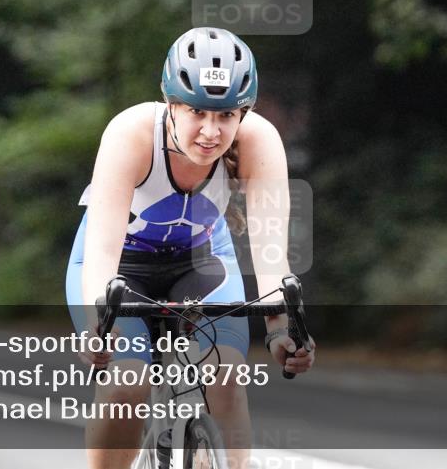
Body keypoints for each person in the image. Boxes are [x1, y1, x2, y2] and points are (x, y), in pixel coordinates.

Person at [65, 27, 315, 469]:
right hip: (120, 264)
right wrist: (96, 327)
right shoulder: (131, 133)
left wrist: (281, 329)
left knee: (227, 376)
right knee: (126, 384)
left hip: (201, 261)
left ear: (244, 112)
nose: (210, 131)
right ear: (171, 104)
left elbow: (271, 255)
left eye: (226, 115)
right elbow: (102, 253)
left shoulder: (259, 141)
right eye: (197, 111)